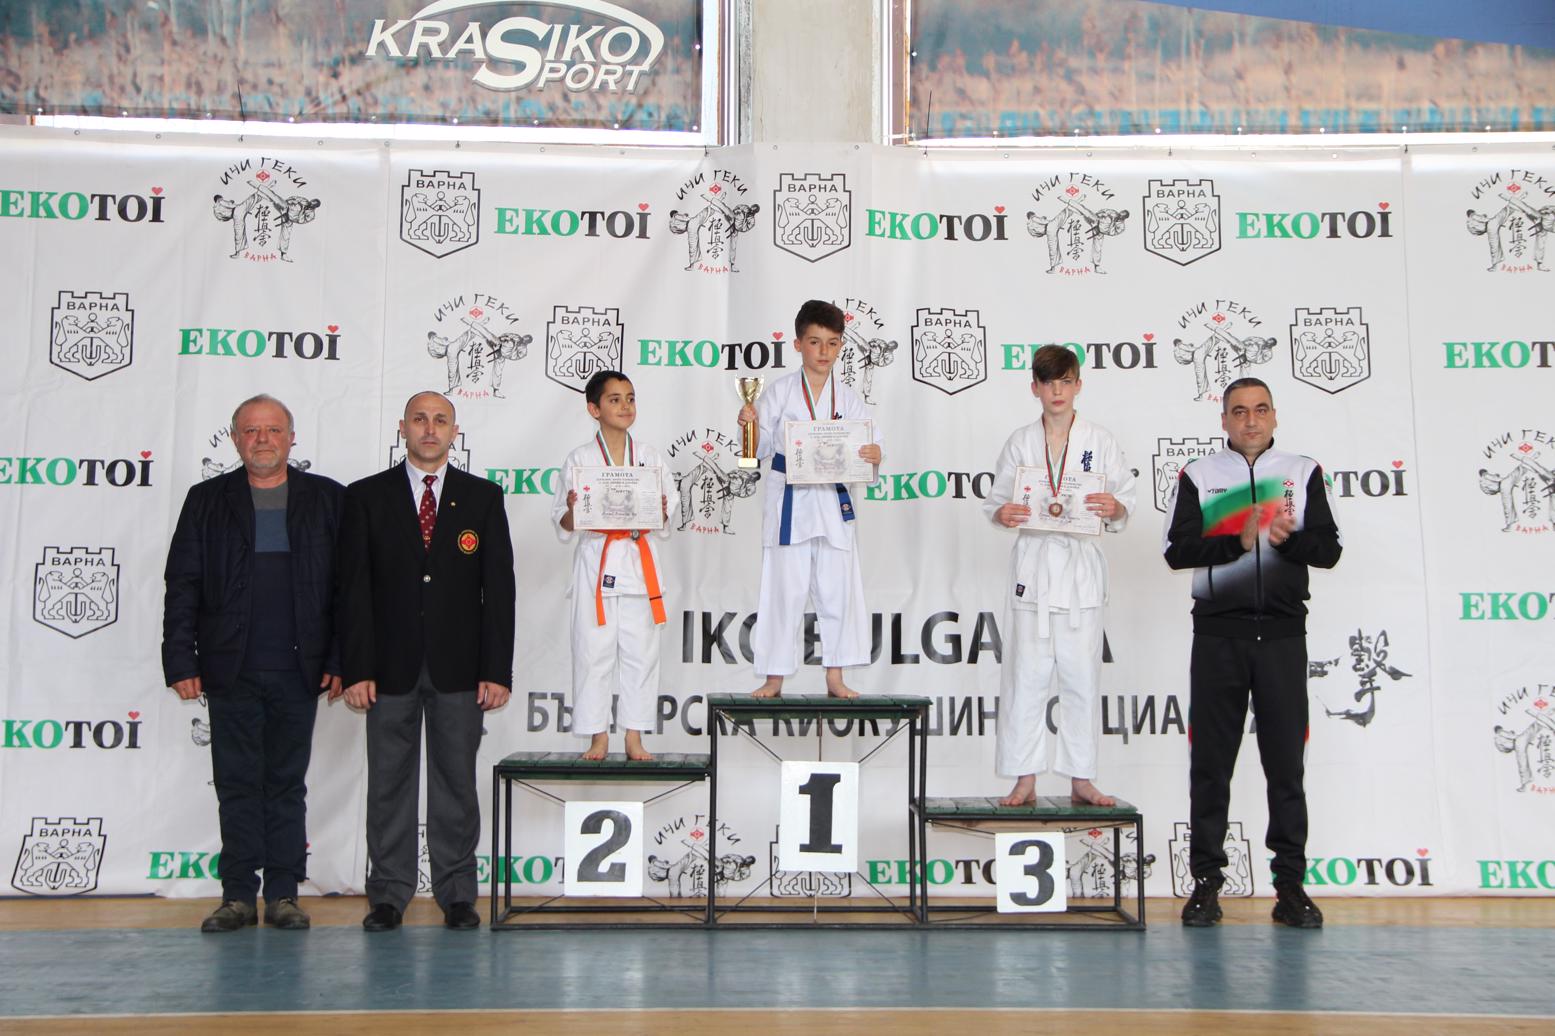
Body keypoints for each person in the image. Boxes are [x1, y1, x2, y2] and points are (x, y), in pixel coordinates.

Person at [1162, 377, 1341, 929]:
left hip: (1283, 638)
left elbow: (1329, 550)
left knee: (1285, 768)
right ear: (1224, 420)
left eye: (1260, 409)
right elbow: (1176, 552)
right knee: (1210, 767)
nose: (1250, 420)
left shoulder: (1302, 472)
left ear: (1274, 416)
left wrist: (1291, 539)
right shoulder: (1199, 475)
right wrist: (1235, 542)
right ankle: (1205, 886)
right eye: (1239, 411)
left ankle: (1290, 888)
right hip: (1218, 638)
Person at [162, 394, 344, 933]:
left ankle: (284, 893)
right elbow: (182, 584)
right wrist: (181, 660)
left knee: (287, 784)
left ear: (291, 438)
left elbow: (348, 589)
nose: (262, 439)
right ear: (235, 439)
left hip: (300, 670)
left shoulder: (328, 499)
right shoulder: (206, 500)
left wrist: (341, 659)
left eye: (273, 430)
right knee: (237, 783)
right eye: (251, 430)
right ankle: (238, 895)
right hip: (229, 669)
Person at [338, 391, 515, 932]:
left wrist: (496, 670)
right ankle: (388, 895)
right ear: (403, 428)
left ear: (455, 432)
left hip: (459, 668)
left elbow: (498, 590)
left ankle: (457, 894)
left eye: (440, 420)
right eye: (420, 419)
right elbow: (352, 590)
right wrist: (357, 668)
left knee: (456, 782)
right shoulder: (366, 496)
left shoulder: (482, 497)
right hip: (386, 669)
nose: (430, 429)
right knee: (388, 783)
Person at [983, 345, 1135, 809]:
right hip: (1034, 571)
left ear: (1078, 385)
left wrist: (1115, 507)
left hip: (1079, 573)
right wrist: (1003, 513)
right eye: (1048, 382)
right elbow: (996, 501)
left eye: (1066, 381)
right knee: (1025, 677)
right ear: (1035, 387)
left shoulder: (1100, 440)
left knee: (1081, 679)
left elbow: (1125, 500)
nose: (1057, 391)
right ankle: (1024, 777)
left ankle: (1081, 778)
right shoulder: (1020, 442)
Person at [737, 299, 883, 698]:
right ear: (798, 344)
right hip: (789, 503)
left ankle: (835, 676)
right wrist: (749, 427)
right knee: (783, 592)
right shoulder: (779, 393)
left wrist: (874, 454)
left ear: (841, 347)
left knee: (838, 591)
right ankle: (774, 677)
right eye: (815, 342)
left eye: (832, 343)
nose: (824, 352)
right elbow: (756, 452)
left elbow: (870, 447)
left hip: (832, 504)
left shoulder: (849, 399)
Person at [552, 370, 679, 761]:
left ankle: (634, 736)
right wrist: (573, 509)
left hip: (639, 565)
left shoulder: (650, 457)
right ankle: (598, 737)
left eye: (630, 398)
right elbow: (563, 523)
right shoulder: (580, 459)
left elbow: (667, 513)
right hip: (597, 565)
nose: (625, 406)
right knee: (593, 654)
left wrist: (660, 511)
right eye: (614, 399)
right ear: (594, 409)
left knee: (642, 656)